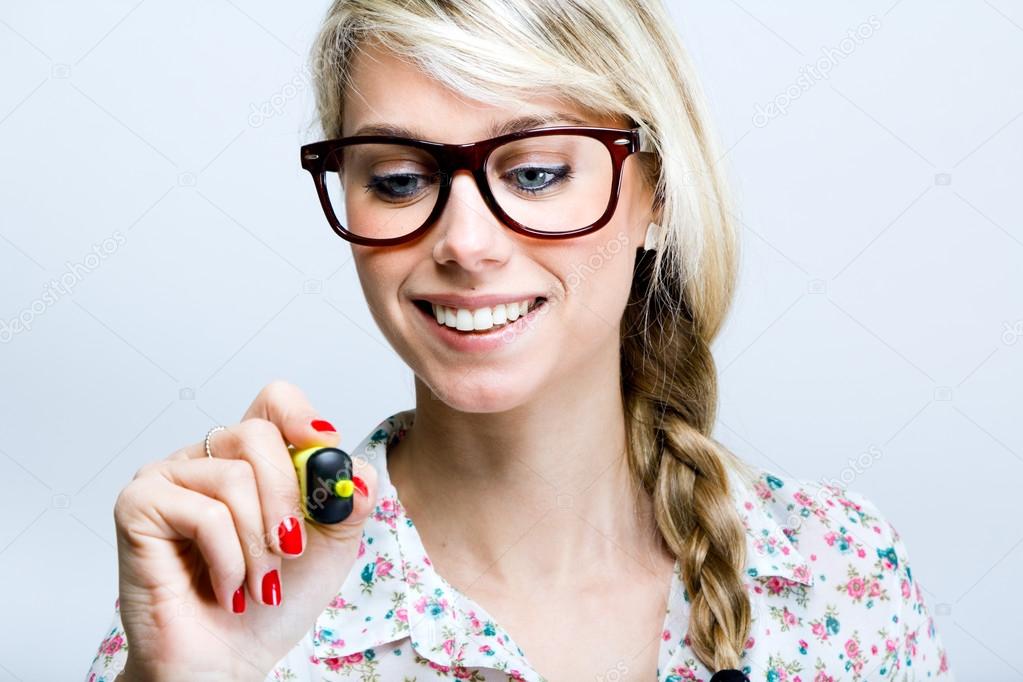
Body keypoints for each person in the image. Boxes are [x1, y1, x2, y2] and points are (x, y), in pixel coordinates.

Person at [86, 1, 953, 680]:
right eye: (397, 179)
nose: (465, 243)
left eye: (536, 172)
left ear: (655, 189)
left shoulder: (838, 573)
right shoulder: (225, 609)